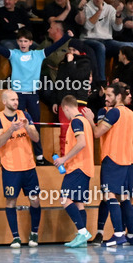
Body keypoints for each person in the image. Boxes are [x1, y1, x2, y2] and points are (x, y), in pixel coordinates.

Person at [0, 26, 72, 164]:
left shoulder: (37, 55)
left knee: (35, 125)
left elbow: (55, 46)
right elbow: (1, 50)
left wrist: (67, 37)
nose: (23, 44)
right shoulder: (14, 54)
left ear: (31, 42)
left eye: (25, 41)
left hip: (32, 95)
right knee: (15, 125)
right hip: (17, 96)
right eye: (20, 41)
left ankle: (39, 157)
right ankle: (13, 155)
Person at [92, 83, 133, 247]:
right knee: (124, 198)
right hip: (128, 160)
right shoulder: (130, 114)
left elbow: (96, 133)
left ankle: (118, 234)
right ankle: (132, 235)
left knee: (109, 196)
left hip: (113, 158)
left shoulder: (114, 112)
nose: (106, 98)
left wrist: (89, 119)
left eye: (109, 95)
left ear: (118, 96)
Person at [0, 90, 42, 248]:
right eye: (13, 99)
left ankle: (34, 233)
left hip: (28, 166)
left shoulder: (25, 115)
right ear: (5, 102)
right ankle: (15, 237)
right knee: (11, 201)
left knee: (34, 200)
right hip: (10, 167)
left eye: (17, 99)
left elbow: (36, 138)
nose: (16, 102)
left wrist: (28, 128)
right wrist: (11, 130)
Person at [53, 95, 95, 248]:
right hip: (86, 167)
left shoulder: (76, 121)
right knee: (79, 203)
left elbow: (81, 143)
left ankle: (82, 231)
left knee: (64, 199)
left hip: (77, 167)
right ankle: (82, 237)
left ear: (65, 108)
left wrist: (64, 159)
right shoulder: (85, 121)